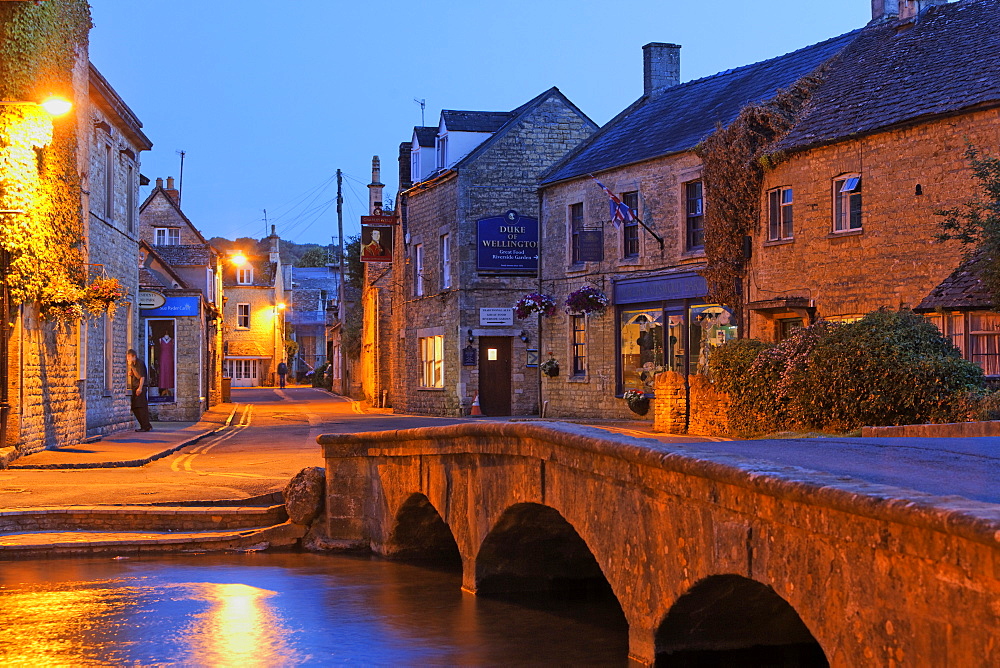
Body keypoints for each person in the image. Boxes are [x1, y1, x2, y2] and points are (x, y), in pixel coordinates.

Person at [126, 348, 153, 432]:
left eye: (129, 357)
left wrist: (140, 388)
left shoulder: (139, 363)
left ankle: (145, 426)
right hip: (135, 387)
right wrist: (131, 373)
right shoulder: (133, 364)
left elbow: (142, 377)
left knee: (141, 407)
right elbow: (136, 374)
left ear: (134, 356)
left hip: (140, 387)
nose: (128, 359)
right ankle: (146, 425)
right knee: (135, 407)